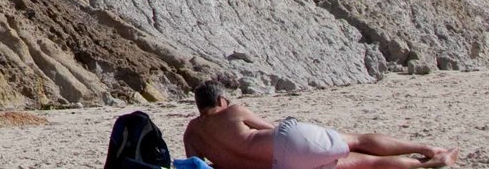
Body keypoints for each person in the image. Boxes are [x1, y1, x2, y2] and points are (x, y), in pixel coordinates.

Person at [184, 81, 454, 169]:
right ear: (221, 98)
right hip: (285, 142)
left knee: (362, 163)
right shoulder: (233, 111)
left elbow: (197, 166)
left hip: (279, 166)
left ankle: (422, 165)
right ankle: (430, 148)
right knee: (356, 141)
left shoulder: (192, 133)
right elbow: (270, 129)